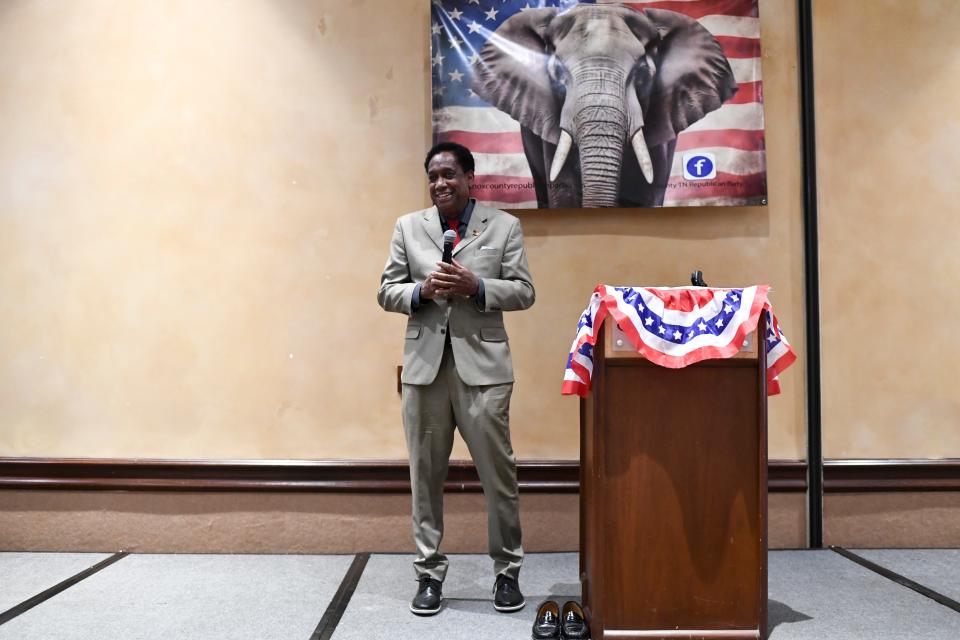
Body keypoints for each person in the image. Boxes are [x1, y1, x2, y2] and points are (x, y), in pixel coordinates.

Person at [377, 142, 535, 615]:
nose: (440, 183)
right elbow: (387, 291)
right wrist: (421, 291)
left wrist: (478, 287)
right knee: (424, 477)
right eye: (433, 176)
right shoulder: (409, 227)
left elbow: (525, 291)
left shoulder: (504, 226)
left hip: (484, 370)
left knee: (499, 475)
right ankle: (428, 575)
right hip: (425, 371)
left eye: (449, 174)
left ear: (470, 177)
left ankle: (507, 573)